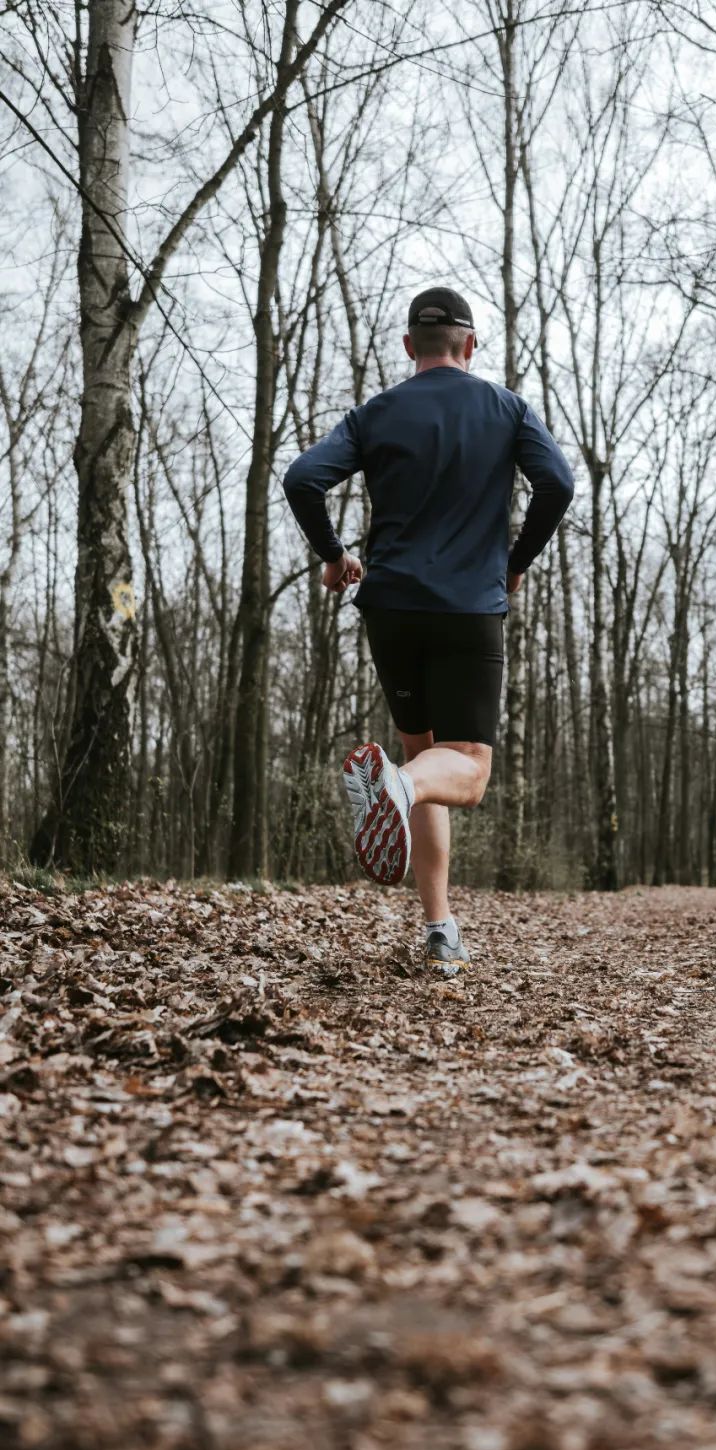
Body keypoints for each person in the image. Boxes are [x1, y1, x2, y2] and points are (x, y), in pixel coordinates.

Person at [282, 287, 574, 974]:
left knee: (423, 758)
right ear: (469, 347)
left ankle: (440, 926)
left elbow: (302, 479)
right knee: (465, 771)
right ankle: (398, 789)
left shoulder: (376, 412)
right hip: (469, 607)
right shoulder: (505, 409)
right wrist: (515, 562)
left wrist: (333, 556)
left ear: (410, 347)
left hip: (391, 606)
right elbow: (556, 483)